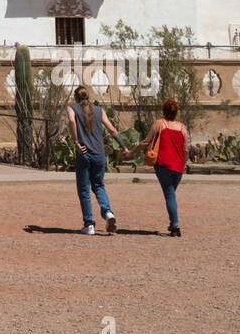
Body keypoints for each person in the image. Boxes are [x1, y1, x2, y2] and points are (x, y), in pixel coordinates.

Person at [66, 86, 127, 235]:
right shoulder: (99, 110)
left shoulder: (71, 108)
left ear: (76, 97)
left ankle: (89, 225)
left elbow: (71, 121)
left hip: (84, 154)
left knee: (84, 189)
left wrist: (76, 142)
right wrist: (124, 147)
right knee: (99, 185)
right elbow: (112, 130)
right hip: (100, 154)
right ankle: (108, 213)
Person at [123, 98, 188, 236]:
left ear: (164, 111)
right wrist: (184, 163)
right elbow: (186, 149)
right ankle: (173, 223)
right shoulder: (183, 128)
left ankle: (175, 226)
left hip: (163, 164)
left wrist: (131, 153)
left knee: (170, 194)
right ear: (176, 112)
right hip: (178, 167)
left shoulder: (160, 124)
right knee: (171, 194)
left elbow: (145, 142)